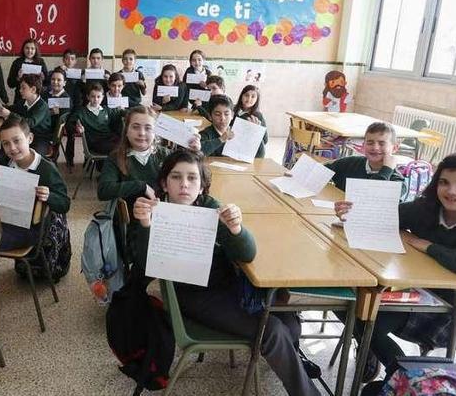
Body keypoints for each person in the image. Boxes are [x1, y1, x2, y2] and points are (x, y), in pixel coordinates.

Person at [130, 150, 320, 396]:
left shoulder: (209, 207)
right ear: (164, 183)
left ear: (202, 186)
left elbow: (247, 254)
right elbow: (145, 266)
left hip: (229, 287)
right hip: (193, 297)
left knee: (290, 322)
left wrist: (236, 229)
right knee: (271, 330)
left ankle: (292, 364)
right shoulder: (157, 213)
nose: (184, 184)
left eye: (192, 178)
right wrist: (145, 225)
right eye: (176, 177)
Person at [334, 153, 456, 390]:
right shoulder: (427, 209)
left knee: (367, 319)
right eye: (444, 182)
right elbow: (385, 215)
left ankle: (401, 374)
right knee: (349, 303)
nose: (451, 191)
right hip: (424, 294)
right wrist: (353, 211)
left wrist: (429, 247)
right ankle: (402, 374)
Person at [97, 106, 201, 222]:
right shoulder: (115, 157)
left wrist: (195, 151)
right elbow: (103, 191)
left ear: (155, 132)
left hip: (167, 217)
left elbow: (194, 173)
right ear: (126, 131)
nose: (141, 133)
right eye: (135, 127)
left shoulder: (165, 154)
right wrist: (142, 186)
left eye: (148, 128)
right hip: (132, 221)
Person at [0, 118, 70, 251]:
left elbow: (64, 203)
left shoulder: (47, 169)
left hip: (30, 228)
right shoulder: (2, 163)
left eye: (17, 141)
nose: (12, 148)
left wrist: (49, 196)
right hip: (2, 220)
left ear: (30, 138)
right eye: (5, 143)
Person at [324, 122, 408, 201]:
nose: (375, 148)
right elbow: (319, 172)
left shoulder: (398, 183)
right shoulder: (349, 163)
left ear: (394, 148)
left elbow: (369, 198)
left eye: (382, 143)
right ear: (363, 145)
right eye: (370, 143)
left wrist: (386, 170)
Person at [0, 74, 52, 155]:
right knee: (7, 147)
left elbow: (30, 122)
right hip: (24, 135)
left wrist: (9, 115)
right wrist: (0, 106)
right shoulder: (23, 101)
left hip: (39, 138)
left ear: (33, 89)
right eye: (20, 88)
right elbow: (12, 108)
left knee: (32, 156)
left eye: (23, 88)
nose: (20, 90)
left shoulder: (42, 106)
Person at [66, 83, 123, 157]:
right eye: (93, 96)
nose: (96, 99)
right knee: (119, 149)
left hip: (109, 138)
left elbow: (119, 112)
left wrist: (131, 113)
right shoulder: (81, 112)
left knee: (127, 142)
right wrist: (76, 129)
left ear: (102, 97)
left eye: (98, 97)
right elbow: (69, 124)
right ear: (88, 97)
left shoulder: (106, 110)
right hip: (95, 142)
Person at [46, 68, 73, 166]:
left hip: (53, 132)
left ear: (64, 82)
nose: (55, 82)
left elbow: (61, 120)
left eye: (59, 80)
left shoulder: (66, 98)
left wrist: (50, 113)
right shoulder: (45, 94)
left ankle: (52, 159)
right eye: (53, 79)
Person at [235, 85, 268, 159]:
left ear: (257, 99)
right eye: (246, 95)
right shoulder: (232, 110)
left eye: (253, 96)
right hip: (234, 148)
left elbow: (265, 140)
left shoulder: (258, 116)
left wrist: (256, 129)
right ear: (241, 96)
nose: (249, 99)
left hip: (252, 152)